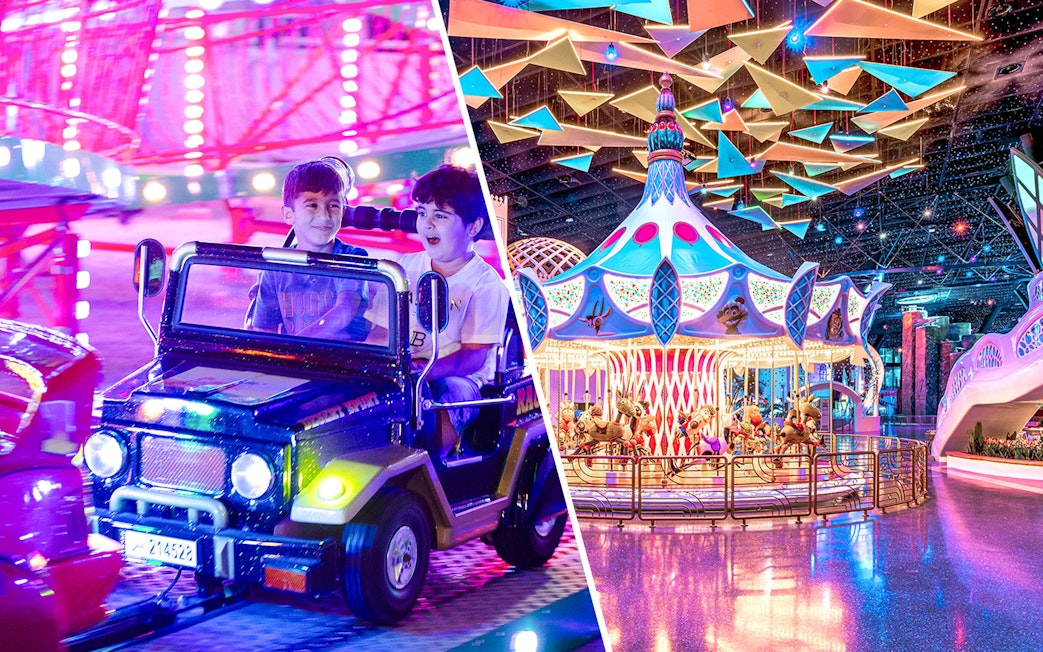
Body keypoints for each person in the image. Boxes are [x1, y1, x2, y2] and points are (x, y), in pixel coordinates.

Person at [368, 165, 509, 457]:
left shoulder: (485, 283)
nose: (428, 224)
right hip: (402, 371)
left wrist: (422, 371)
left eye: (441, 216)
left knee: (446, 395)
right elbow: (380, 333)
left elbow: (473, 358)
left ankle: (429, 464)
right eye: (422, 213)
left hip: (459, 377)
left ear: (472, 227)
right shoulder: (401, 268)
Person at [247, 158, 370, 340]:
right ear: (289, 214)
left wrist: (298, 345)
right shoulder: (275, 267)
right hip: (292, 357)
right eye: (312, 205)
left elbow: (345, 309)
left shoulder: (352, 258)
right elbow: (265, 329)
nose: (324, 215)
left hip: (342, 357)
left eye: (333, 205)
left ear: (343, 211)